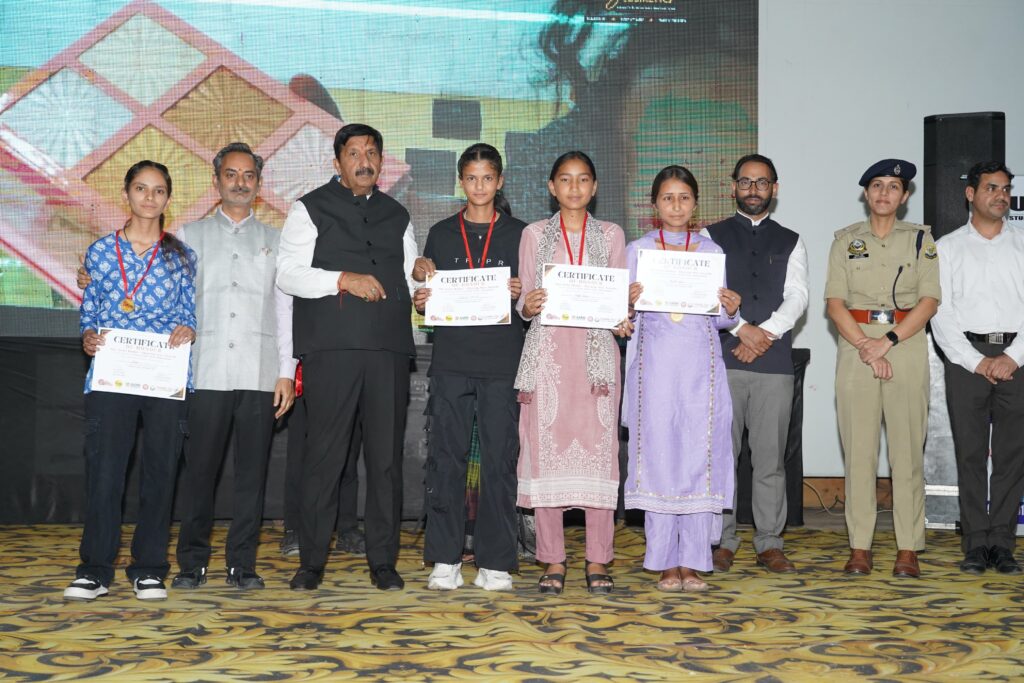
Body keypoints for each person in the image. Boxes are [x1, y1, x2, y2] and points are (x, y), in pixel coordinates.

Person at [276, 123, 417, 591]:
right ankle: (312, 561)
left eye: (371, 152)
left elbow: (411, 281)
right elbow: (288, 273)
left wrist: (424, 286)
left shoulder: (398, 214)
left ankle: (383, 561)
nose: (364, 161)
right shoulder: (309, 208)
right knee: (325, 457)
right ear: (336, 162)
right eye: (353, 153)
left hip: (388, 351)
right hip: (331, 350)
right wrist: (341, 279)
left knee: (385, 461)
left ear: (381, 161)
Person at [63, 161, 196, 601]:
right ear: (126, 194)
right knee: (105, 473)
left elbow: (189, 312)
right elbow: (91, 309)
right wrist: (88, 335)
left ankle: (149, 569)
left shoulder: (181, 255)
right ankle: (94, 570)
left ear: (167, 198)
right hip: (113, 373)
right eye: (141, 188)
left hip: (164, 375)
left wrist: (189, 329)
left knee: (160, 472)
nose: (149, 197)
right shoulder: (100, 252)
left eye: (158, 190)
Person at [167, 142, 296, 591]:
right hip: (205, 372)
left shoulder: (279, 242)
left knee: (251, 477)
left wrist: (287, 371)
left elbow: (286, 312)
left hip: (261, 373)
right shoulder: (188, 236)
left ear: (259, 184)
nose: (240, 183)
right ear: (216, 180)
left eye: (248, 176)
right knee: (199, 474)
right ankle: (192, 563)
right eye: (231, 174)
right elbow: (170, 300)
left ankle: (242, 564)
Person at [411, 143, 526, 591]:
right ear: (461, 182)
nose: (479, 186)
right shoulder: (441, 233)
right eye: (472, 178)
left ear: (499, 182)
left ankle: (496, 560)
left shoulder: (521, 234)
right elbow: (428, 300)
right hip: (452, 361)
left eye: (487, 178)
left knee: (499, 461)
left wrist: (521, 291)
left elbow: (535, 299)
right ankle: (445, 557)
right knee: (446, 459)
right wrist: (422, 299)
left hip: (502, 361)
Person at [515, 151, 631, 595]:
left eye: (583, 179)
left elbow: (617, 296)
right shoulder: (533, 234)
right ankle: (553, 559)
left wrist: (621, 315)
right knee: (546, 458)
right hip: (549, 358)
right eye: (565, 179)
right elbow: (525, 297)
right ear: (552, 187)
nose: (575, 187)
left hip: (596, 359)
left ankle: (598, 558)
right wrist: (527, 304)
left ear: (595, 187)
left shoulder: (612, 234)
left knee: (599, 458)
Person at [623, 165, 740, 592]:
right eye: (668, 198)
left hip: (699, 372)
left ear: (695, 204)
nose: (676, 206)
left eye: (684, 198)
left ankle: (692, 561)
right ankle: (663, 561)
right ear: (655, 204)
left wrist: (732, 308)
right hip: (654, 371)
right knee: (658, 460)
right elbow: (621, 318)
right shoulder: (638, 250)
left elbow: (722, 319)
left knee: (697, 458)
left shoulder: (710, 252)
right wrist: (626, 302)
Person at [824, 159, 940, 578]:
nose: (884, 193)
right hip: (855, 345)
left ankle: (908, 547)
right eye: (877, 185)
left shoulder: (921, 240)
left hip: (904, 344)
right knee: (859, 452)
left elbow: (929, 301)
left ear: (904, 196)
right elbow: (835, 303)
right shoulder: (845, 241)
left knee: (907, 452)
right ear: (866, 193)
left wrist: (886, 342)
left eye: (893, 186)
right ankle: (860, 547)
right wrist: (865, 346)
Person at [706, 154, 808, 574]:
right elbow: (706, 293)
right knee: (721, 458)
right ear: (733, 187)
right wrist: (740, 329)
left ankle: (769, 542)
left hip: (773, 362)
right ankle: (722, 540)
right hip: (722, 359)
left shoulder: (791, 240)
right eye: (746, 182)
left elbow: (798, 297)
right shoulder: (709, 237)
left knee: (770, 460)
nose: (753, 189)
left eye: (762, 182)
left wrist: (762, 334)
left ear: (774, 189)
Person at [931, 161, 1023, 575]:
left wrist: (1012, 357)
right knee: (969, 455)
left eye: (1005, 189)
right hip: (965, 359)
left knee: (1011, 456)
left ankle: (1002, 544)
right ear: (971, 194)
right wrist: (977, 360)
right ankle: (975, 544)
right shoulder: (947, 248)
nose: (1000, 196)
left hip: (1017, 359)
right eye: (991, 188)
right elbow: (940, 313)